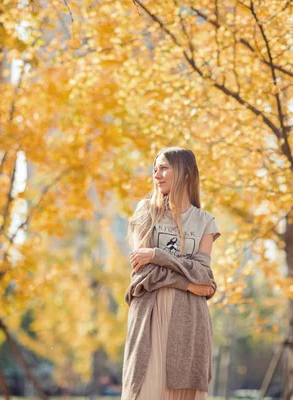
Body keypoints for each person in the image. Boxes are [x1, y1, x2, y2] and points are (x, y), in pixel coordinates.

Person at [124, 146, 221, 400]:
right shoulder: (147, 212)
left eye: (164, 167)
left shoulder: (205, 222)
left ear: (185, 173)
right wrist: (189, 284)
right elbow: (143, 270)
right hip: (151, 313)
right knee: (145, 389)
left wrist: (157, 255)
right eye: (155, 169)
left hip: (189, 319)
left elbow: (204, 276)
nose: (157, 175)